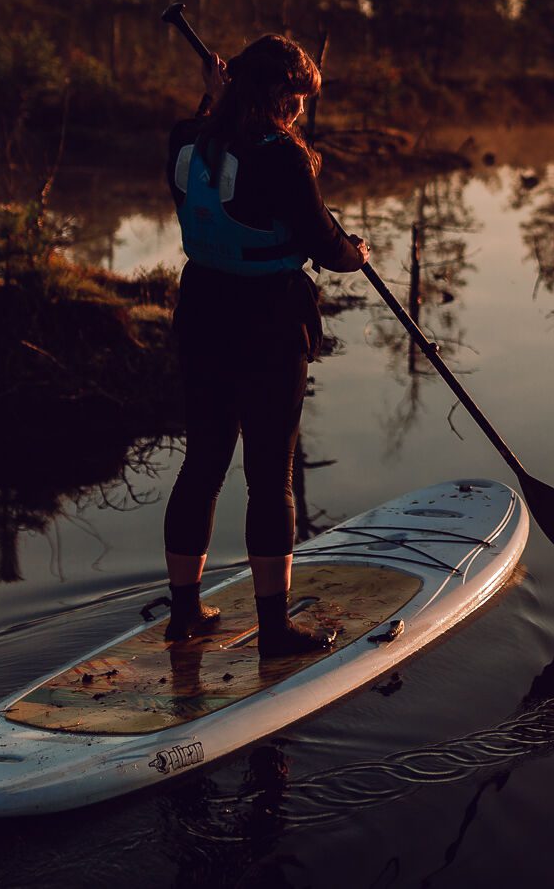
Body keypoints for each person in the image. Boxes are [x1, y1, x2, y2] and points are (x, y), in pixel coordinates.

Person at [161, 34, 369, 655]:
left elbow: (214, 140)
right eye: (299, 97)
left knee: (202, 466)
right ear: (280, 93)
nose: (301, 111)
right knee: (269, 476)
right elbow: (323, 242)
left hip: (201, 313)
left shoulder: (184, 140)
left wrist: (213, 95)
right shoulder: (282, 156)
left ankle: (185, 614)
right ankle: (275, 631)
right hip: (269, 322)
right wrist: (353, 255)